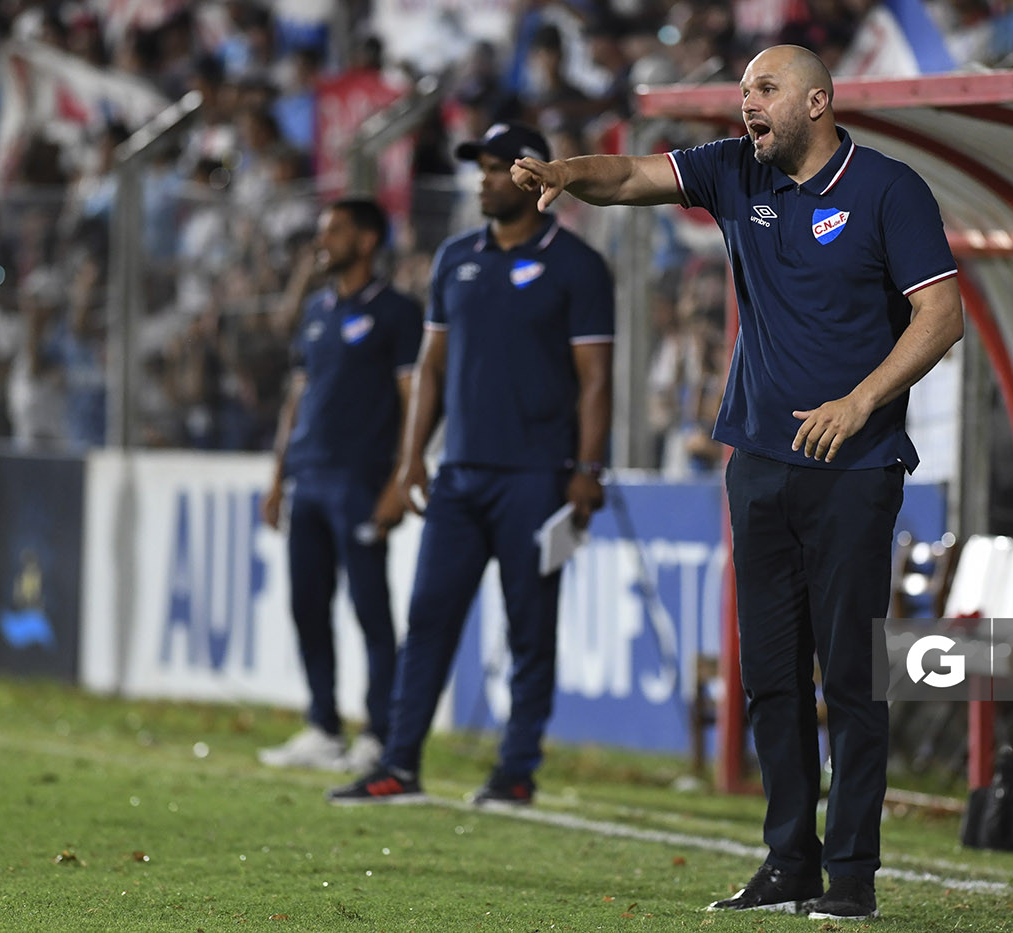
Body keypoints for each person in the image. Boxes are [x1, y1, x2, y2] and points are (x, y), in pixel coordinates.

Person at [509, 46, 964, 920]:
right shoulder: (732, 172)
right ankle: (787, 862)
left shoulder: (888, 189)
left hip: (855, 469)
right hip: (756, 465)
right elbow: (632, 175)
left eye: (765, 90)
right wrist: (567, 172)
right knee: (772, 677)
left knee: (853, 679)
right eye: (744, 89)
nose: (745, 103)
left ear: (819, 101)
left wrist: (861, 400)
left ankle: (853, 876)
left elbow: (942, 313)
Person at [326, 122, 614, 808]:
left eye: (496, 167)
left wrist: (589, 469)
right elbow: (429, 366)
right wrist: (410, 461)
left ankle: (516, 769)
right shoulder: (455, 258)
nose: (483, 179)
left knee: (528, 627)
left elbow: (596, 376)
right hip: (459, 474)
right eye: (479, 168)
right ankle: (399, 761)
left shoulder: (577, 265)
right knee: (428, 617)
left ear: (535, 175)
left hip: (537, 476)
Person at [258, 199, 423, 773]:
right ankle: (322, 725)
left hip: (361, 481)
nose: (321, 242)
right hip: (309, 478)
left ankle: (379, 732)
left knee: (370, 609)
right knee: (308, 606)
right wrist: (278, 478)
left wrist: (402, 479)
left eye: (335, 232)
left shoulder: (398, 313)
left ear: (368, 239)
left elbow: (414, 400)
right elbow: (297, 400)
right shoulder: (316, 310)